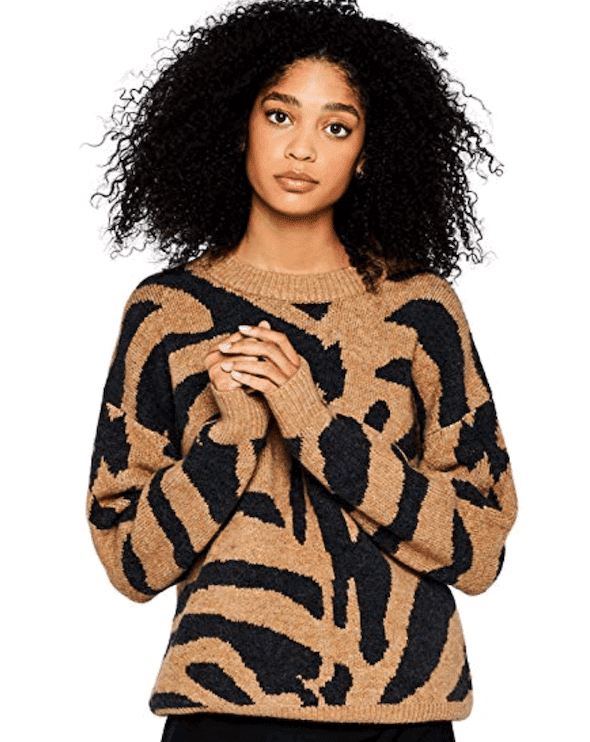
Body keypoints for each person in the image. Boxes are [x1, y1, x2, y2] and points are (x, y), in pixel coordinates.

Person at [87, 1, 518, 740]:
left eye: (337, 127)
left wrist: (316, 425)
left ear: (368, 153)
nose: (303, 149)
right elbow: (131, 562)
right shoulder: (168, 313)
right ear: (239, 126)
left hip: (402, 716)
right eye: (280, 115)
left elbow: (479, 550)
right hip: (222, 713)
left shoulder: (421, 312)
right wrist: (232, 437)